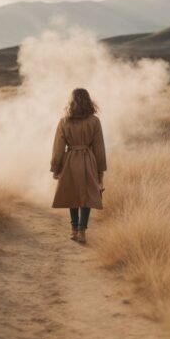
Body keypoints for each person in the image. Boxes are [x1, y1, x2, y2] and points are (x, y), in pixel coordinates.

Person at [50, 88, 107, 244]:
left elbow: (58, 148)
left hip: (70, 161)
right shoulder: (94, 121)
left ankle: (74, 229)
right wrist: (100, 170)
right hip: (88, 160)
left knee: (72, 194)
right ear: (88, 101)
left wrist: (56, 168)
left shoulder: (64, 121)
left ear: (72, 101)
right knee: (86, 196)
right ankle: (82, 230)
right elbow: (99, 147)